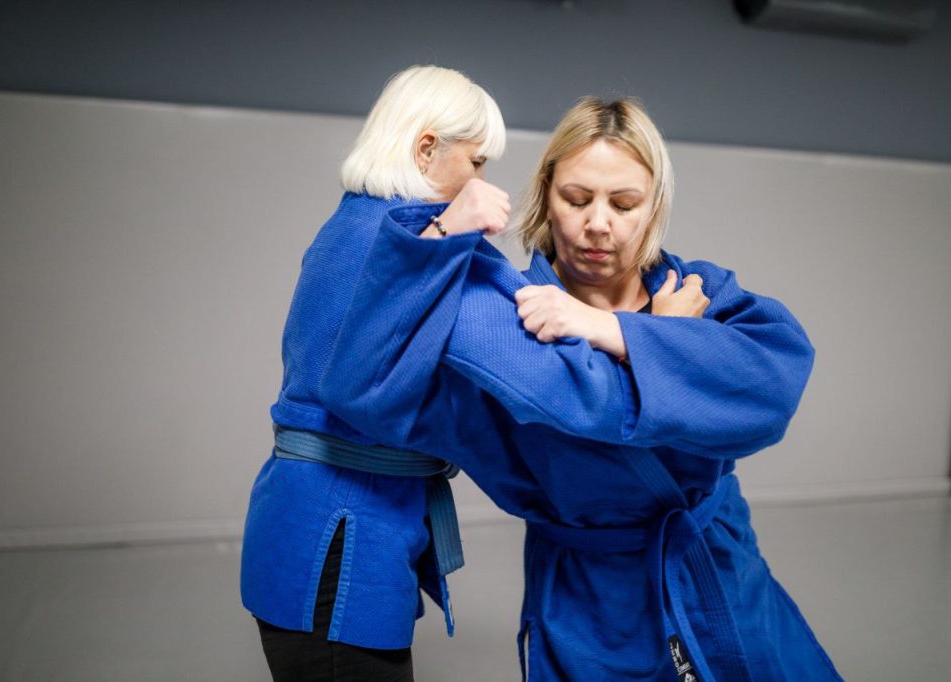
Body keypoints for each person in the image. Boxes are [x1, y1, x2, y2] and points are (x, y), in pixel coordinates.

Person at [317, 98, 842, 680]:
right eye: (576, 198)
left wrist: (614, 330)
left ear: (655, 205)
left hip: (722, 575)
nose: (598, 224)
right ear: (546, 195)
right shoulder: (505, 319)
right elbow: (368, 387)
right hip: (588, 607)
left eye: (624, 204)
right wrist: (428, 244)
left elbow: (772, 390)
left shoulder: (694, 290)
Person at [239, 64, 511, 682]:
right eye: (475, 163)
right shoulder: (384, 239)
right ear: (426, 149)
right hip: (335, 531)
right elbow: (356, 383)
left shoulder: (369, 230)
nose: (481, 181)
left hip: (333, 519)